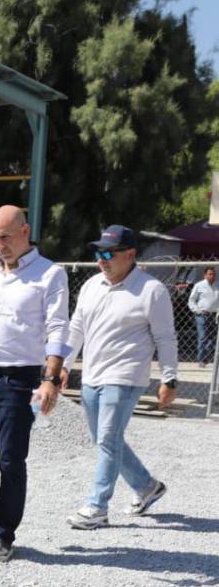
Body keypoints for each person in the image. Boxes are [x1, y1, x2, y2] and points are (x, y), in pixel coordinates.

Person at [0, 205, 70, 563]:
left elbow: (57, 328)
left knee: (11, 460)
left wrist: (51, 379)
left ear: (25, 231)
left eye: (4, 237)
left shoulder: (50, 274)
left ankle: (4, 534)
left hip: (21, 380)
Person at [62, 225, 177, 530]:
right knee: (105, 440)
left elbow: (166, 338)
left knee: (108, 441)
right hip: (91, 375)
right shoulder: (90, 286)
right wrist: (63, 365)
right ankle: (147, 486)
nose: (102, 259)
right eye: (98, 252)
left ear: (130, 254)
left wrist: (170, 378)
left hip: (126, 377)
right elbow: (76, 329)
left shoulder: (152, 290)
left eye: (109, 253)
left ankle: (97, 506)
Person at [187, 266, 218, 367]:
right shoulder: (199, 285)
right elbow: (191, 300)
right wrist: (198, 311)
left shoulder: (218, 285)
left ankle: (207, 358)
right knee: (203, 337)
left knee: (213, 338)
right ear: (204, 275)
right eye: (210, 274)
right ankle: (201, 359)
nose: (212, 276)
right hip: (202, 314)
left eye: (213, 274)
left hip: (215, 315)